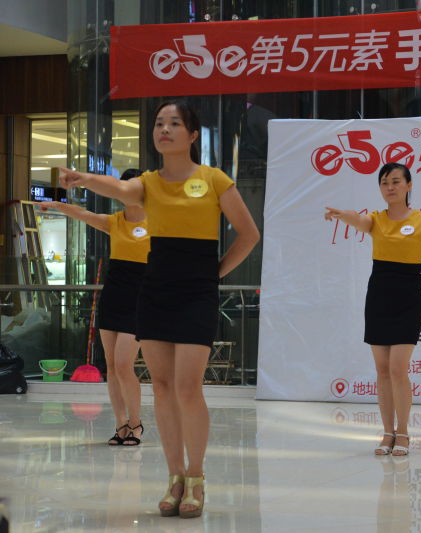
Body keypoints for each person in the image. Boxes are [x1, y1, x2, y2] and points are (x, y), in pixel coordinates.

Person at [59, 100, 260, 518]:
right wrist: (84, 178)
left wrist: (215, 274)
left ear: (192, 135)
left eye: (174, 123)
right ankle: (175, 476)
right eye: (158, 123)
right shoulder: (147, 183)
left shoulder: (213, 179)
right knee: (163, 388)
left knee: (188, 388)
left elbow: (248, 234)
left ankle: (197, 476)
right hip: (154, 291)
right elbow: (118, 189)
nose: (164, 129)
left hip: (197, 293)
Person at [324, 162, 421, 457]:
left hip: (408, 301)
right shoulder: (376, 220)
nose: (390, 187)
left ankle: (403, 432)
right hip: (378, 298)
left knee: (398, 369)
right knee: (381, 370)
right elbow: (359, 220)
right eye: (384, 183)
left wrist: (416, 285)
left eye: (395, 181)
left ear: (408, 185)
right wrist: (342, 215)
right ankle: (387, 432)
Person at [40, 168, 148, 447]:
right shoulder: (115, 221)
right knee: (111, 366)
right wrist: (58, 206)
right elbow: (83, 214)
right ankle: (120, 424)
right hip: (113, 296)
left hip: (140, 300)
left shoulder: (159, 223)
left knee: (124, 365)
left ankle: (136, 423)